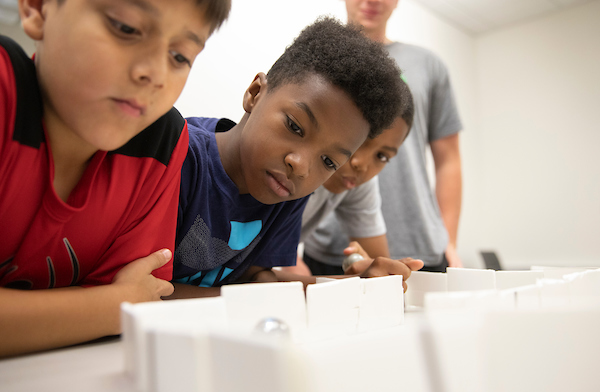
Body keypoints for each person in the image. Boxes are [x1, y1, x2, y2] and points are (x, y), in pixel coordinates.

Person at [0, 0, 231, 357]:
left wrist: (110, 307)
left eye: (180, 56)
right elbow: (124, 306)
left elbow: (140, 299)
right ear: (37, 8)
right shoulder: (5, 91)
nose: (155, 73)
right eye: (125, 28)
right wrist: (109, 306)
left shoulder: (162, 143)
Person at [168, 17, 421, 299]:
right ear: (255, 93)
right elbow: (139, 293)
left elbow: (257, 277)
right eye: (295, 126)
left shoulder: (286, 192)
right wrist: (257, 300)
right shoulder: (176, 158)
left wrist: (355, 285)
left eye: (328, 162)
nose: (300, 166)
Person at [303, 0, 463, 273]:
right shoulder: (316, 59)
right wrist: (283, 249)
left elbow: (449, 160)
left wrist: (449, 240)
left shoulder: (428, 65)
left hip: (421, 244)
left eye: (380, 154)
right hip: (327, 248)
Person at [282, 81, 415, 277]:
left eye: (382, 156)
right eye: (359, 141)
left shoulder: (357, 181)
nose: (361, 164)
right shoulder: (286, 166)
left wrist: (367, 269)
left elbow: (382, 270)